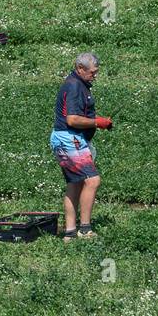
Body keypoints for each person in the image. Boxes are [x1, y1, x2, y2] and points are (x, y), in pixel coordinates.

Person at [51, 53, 113, 240]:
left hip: (64, 138)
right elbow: (72, 119)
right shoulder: (75, 87)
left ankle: (70, 232)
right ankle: (85, 229)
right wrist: (97, 122)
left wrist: (98, 122)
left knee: (75, 182)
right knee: (92, 180)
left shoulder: (77, 84)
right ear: (80, 68)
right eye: (92, 72)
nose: (95, 76)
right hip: (69, 138)